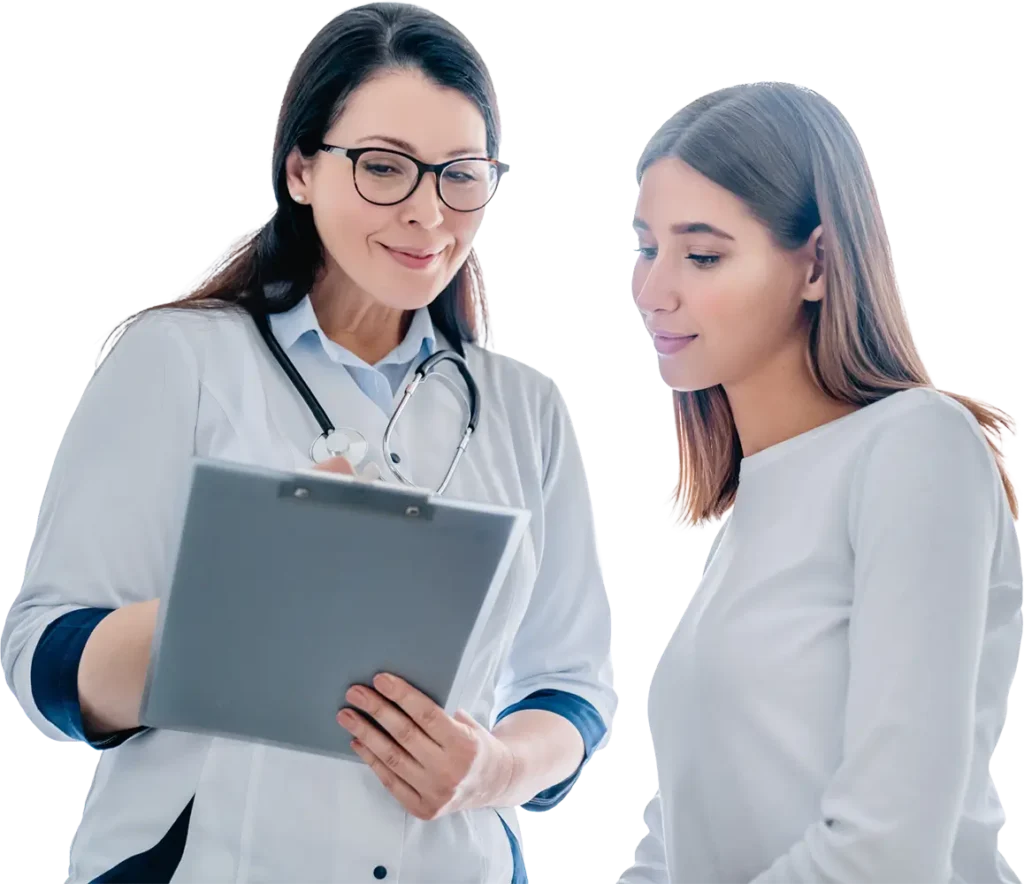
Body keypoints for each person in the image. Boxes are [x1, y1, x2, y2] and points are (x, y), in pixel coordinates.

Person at [0, 5, 616, 882]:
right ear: (300, 169)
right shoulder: (181, 360)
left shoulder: (528, 407)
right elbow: (47, 660)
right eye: (383, 168)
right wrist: (246, 592)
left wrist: (497, 769)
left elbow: (574, 688)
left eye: (460, 176)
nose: (427, 212)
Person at [618, 81, 1022, 884]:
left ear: (819, 263)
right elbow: (681, 831)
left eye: (702, 255)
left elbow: (887, 850)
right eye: (644, 246)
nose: (653, 289)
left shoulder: (916, 449)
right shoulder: (751, 508)